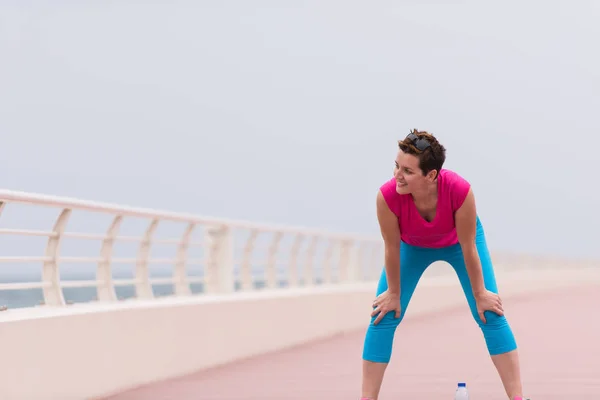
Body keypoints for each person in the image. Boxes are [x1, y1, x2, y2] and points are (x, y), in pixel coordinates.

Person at [360, 129, 525, 400]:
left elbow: (469, 246)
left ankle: (517, 398)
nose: (397, 175)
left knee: (490, 313)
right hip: (411, 246)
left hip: (458, 245)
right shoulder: (387, 197)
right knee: (383, 315)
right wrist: (393, 293)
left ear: (431, 175)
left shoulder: (460, 190)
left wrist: (480, 294)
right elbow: (391, 247)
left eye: (408, 171)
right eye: (397, 166)